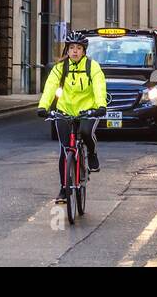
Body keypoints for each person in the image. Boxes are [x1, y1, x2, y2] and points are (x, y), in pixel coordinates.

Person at [36, 31, 108, 203]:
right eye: (71, 48)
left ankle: (91, 153)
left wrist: (100, 106)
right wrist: (43, 107)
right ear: (67, 50)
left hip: (88, 110)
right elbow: (50, 88)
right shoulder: (60, 68)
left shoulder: (93, 67)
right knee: (64, 149)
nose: (75, 51)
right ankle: (64, 188)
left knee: (85, 131)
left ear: (84, 51)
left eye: (79, 48)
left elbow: (99, 87)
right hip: (65, 110)